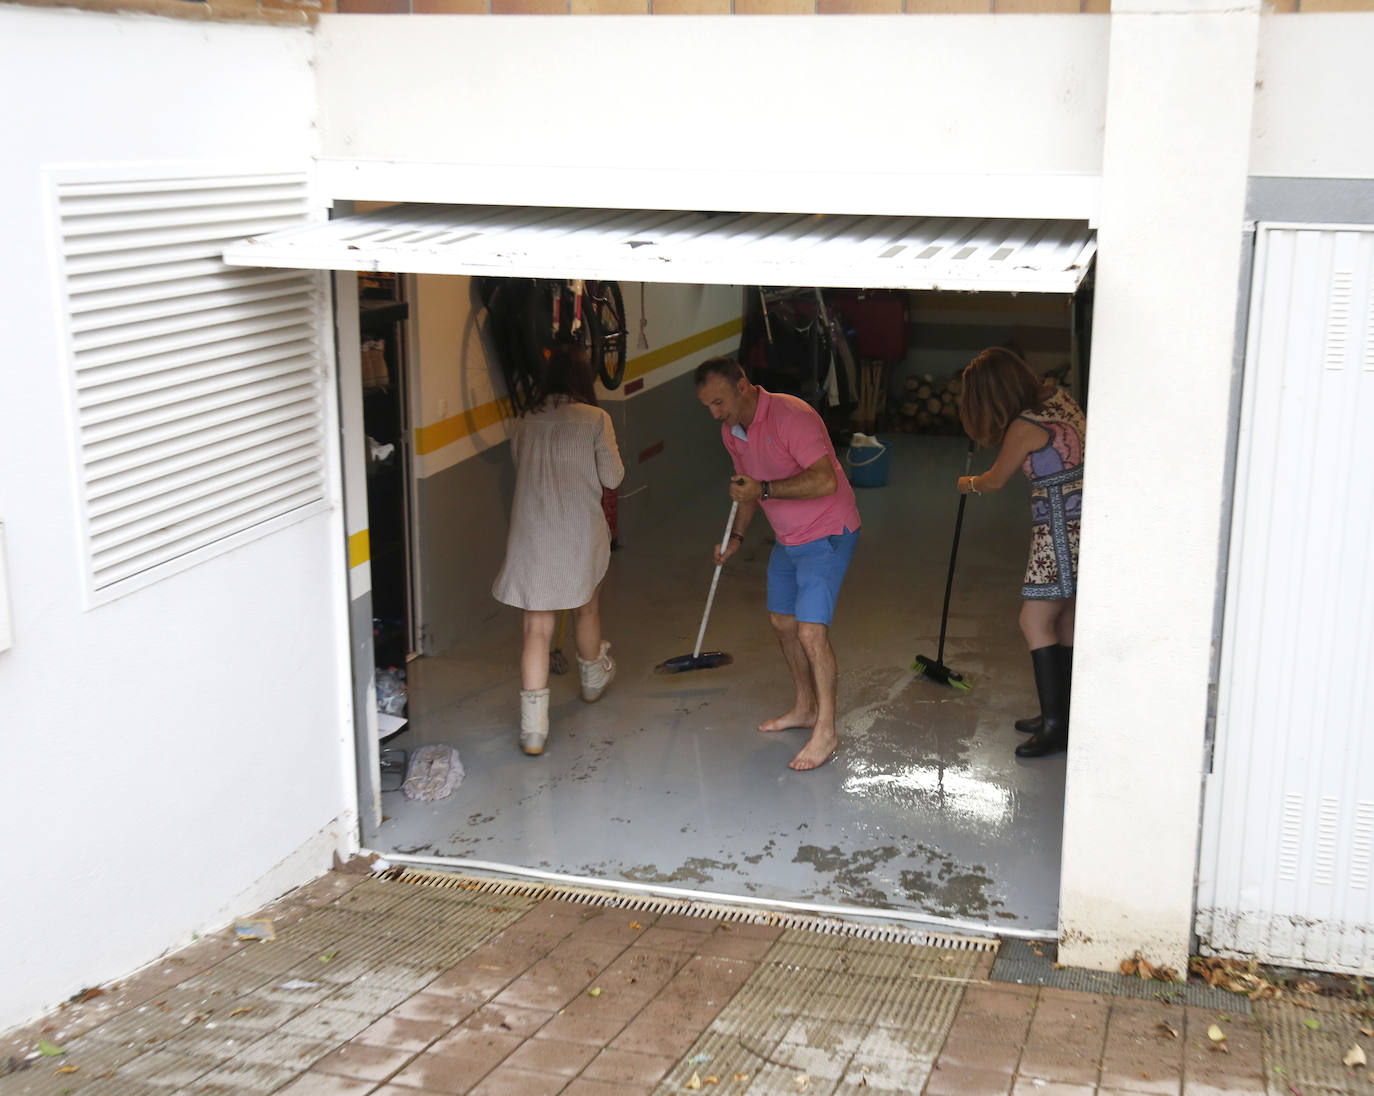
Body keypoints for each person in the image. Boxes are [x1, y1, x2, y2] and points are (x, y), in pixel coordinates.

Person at [695, 356, 861, 772]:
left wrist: (765, 488)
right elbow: (746, 490)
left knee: (809, 632)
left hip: (827, 532)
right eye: (708, 407)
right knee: (782, 623)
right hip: (788, 539)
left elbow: (826, 480)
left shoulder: (792, 416)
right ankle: (805, 707)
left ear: (743, 385)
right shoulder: (731, 432)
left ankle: (826, 729)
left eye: (719, 402)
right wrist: (735, 538)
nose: (716, 413)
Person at [492, 343, 625, 756]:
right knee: (586, 607)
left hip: (531, 533)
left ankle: (533, 730)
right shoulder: (595, 419)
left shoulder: (523, 420)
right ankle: (592, 682)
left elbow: (520, 463)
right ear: (584, 379)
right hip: (579, 532)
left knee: (537, 627)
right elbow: (614, 477)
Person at [956, 347, 1085, 759]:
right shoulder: (1058, 398)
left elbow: (995, 481)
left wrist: (968, 483)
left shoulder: (1024, 426)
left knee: (1034, 618)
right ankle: (1062, 716)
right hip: (1083, 521)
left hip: (1060, 533)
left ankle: (1053, 727)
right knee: (1062, 618)